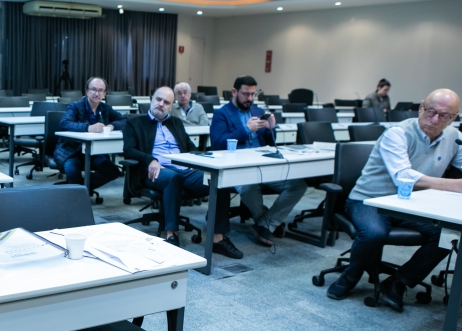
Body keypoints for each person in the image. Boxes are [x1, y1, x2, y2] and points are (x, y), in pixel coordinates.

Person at [326, 88, 461, 310]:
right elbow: (404, 177)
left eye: (445, 116)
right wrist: (454, 185)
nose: (435, 119)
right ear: (421, 107)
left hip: (412, 205)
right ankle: (349, 277)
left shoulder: (454, 138)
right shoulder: (397, 133)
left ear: (453, 118)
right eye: (431, 111)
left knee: (449, 235)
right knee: (374, 233)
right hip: (369, 200)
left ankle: (399, 281)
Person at [123, 86, 242, 257]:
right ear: (152, 100)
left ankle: (218, 238)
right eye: (158, 100)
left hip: (184, 168)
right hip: (154, 170)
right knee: (173, 178)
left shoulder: (176, 123)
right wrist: (151, 160)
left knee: (218, 178)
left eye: (166, 102)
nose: (161, 104)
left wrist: (202, 160)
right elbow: (129, 150)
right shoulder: (134, 123)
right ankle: (172, 235)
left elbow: (190, 147)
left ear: (171, 106)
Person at [211, 75, 307, 246]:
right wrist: (245, 129)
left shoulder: (256, 111)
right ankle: (267, 223)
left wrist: (271, 129)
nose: (249, 99)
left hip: (265, 164)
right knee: (248, 186)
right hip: (238, 168)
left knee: (298, 185)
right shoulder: (221, 114)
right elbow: (217, 144)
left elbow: (270, 142)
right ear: (234, 92)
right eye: (245, 94)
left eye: (252, 94)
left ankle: (265, 224)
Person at [55, 77, 126, 192]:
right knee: (72, 171)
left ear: (104, 93)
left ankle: (80, 189)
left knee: (113, 171)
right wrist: (88, 128)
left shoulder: (106, 108)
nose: (96, 93)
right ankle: (77, 192)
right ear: (87, 91)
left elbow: (124, 120)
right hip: (72, 151)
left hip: (95, 152)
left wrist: (112, 126)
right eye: (93, 89)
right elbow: (64, 123)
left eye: (100, 90)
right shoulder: (75, 106)